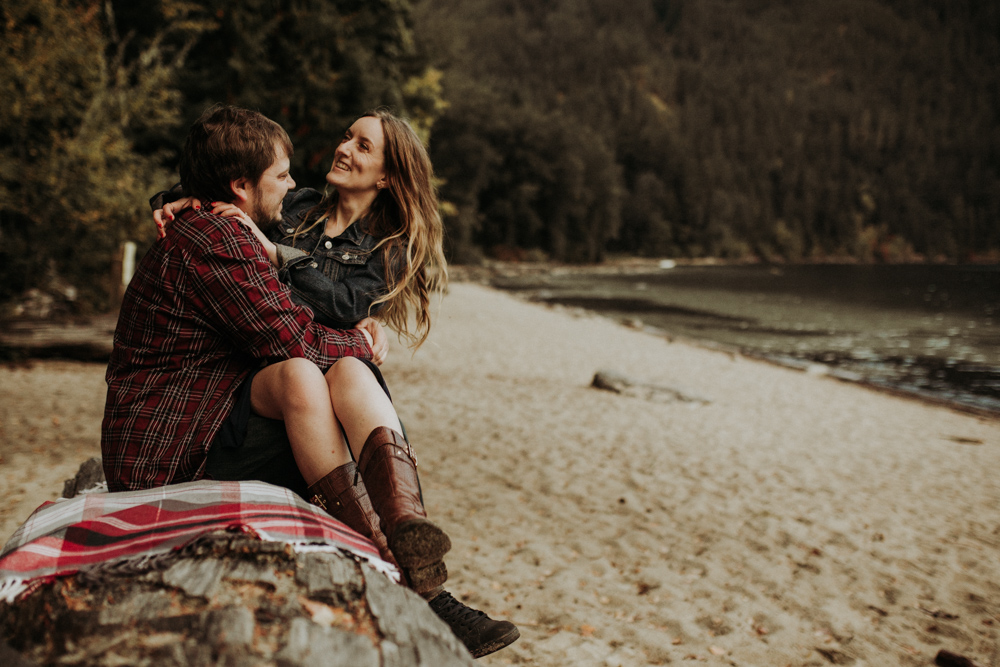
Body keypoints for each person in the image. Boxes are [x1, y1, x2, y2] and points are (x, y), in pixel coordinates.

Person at [147, 107, 519, 658]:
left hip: (332, 397)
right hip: (274, 385)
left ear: (388, 176)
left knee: (350, 367)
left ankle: (411, 536)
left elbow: (346, 303)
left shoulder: (388, 245)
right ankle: (423, 581)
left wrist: (281, 257)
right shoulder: (297, 206)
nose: (345, 149)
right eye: (348, 136)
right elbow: (229, 179)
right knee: (349, 363)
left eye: (364, 147)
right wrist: (182, 200)